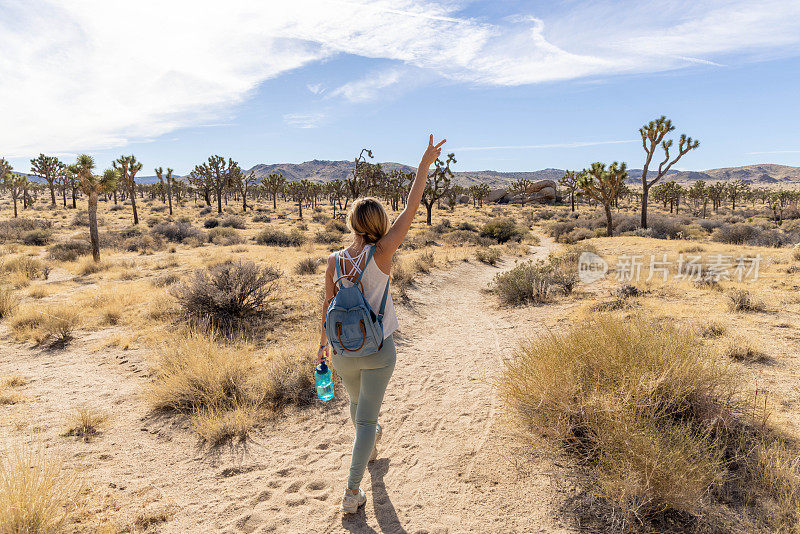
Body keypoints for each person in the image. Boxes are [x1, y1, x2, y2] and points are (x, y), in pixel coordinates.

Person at [318, 134, 447, 514]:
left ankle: (371, 444)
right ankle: (351, 492)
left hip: (342, 351)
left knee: (359, 408)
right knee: (366, 419)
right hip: (378, 351)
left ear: (352, 223)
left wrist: (322, 347)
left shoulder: (334, 261)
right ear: (380, 223)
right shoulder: (384, 251)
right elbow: (412, 206)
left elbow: (326, 307)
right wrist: (424, 164)